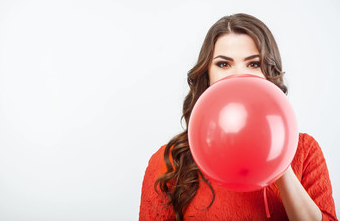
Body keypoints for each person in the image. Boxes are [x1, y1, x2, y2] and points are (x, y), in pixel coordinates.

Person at [139, 13, 337, 221]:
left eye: (253, 64)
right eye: (223, 64)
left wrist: (279, 161)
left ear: (268, 73)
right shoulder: (170, 160)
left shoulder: (306, 151)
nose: (238, 75)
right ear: (207, 75)